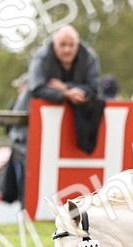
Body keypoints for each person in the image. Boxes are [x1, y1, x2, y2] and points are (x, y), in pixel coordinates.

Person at [29, 25, 103, 154]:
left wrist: (65, 88)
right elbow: (36, 88)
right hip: (40, 127)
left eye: (71, 45)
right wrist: (66, 95)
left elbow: (95, 88)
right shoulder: (42, 56)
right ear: (54, 44)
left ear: (77, 45)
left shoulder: (89, 57)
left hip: (76, 129)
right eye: (62, 45)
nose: (67, 49)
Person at [3, 71, 31, 207]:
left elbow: (9, 125)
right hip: (21, 146)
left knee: (24, 182)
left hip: (21, 145)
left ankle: (25, 207)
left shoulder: (21, 99)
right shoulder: (20, 100)